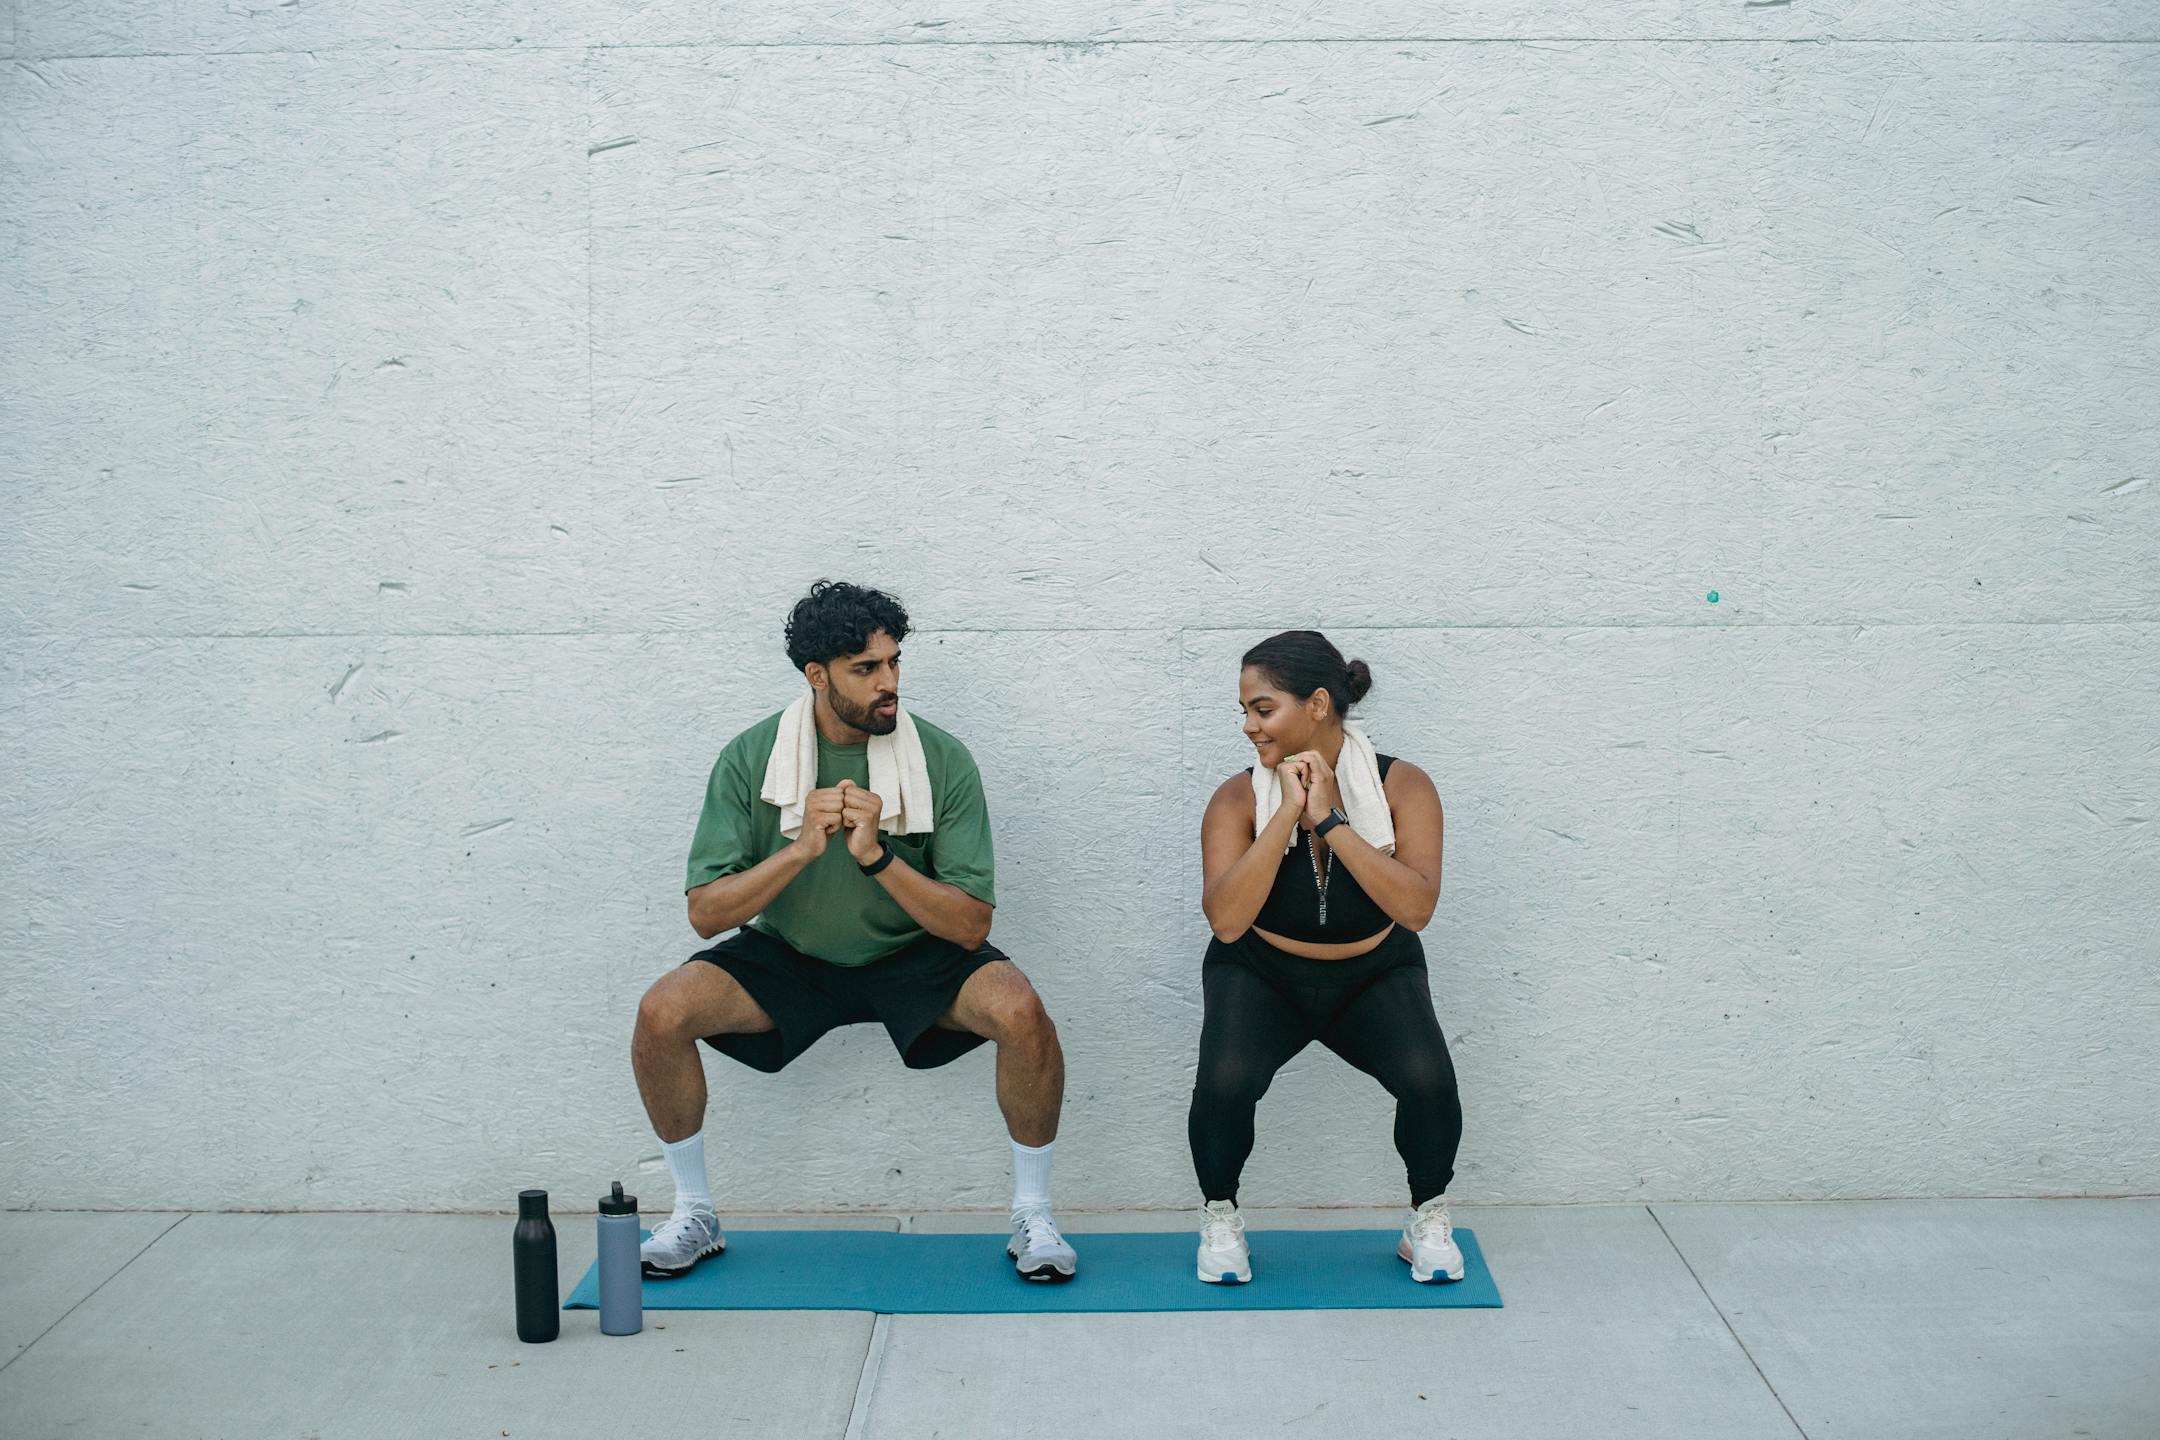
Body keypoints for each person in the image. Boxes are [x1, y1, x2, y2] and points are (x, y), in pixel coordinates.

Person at [631, 580, 1077, 1282]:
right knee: (662, 1012)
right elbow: (707, 912)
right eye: (866, 670)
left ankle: (1034, 1215)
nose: (888, 684)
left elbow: (969, 924)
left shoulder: (941, 758)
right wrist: (802, 848)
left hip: (914, 953)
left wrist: (875, 856)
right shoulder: (750, 759)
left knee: (1022, 1012)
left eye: (894, 663)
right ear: (817, 675)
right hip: (793, 954)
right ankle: (695, 1212)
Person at [1189, 631, 1464, 1284]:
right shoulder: (1236, 799)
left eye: (1263, 709)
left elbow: (1417, 909)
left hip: (1374, 970)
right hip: (1260, 972)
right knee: (1225, 1084)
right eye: (1245, 712)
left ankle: (1427, 1214)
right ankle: (1221, 1215)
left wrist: (1332, 820)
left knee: (1429, 1083)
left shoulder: (1404, 786)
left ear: (1317, 704)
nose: (1249, 727)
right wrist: (1286, 813)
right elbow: (1227, 922)